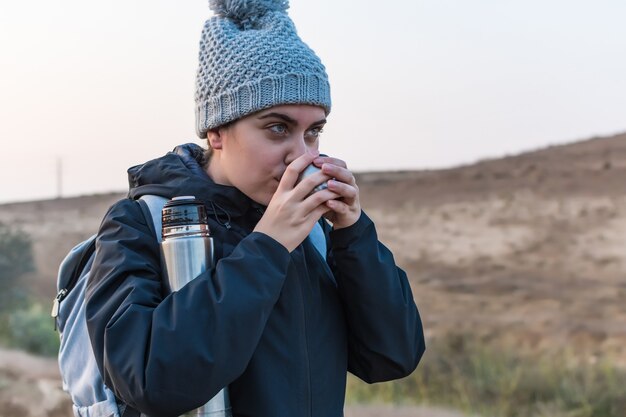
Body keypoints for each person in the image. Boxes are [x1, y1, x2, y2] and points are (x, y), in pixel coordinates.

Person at [85, 1, 425, 416]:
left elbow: (392, 357)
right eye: (277, 127)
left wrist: (353, 233)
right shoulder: (139, 223)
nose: (301, 155)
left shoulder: (314, 232)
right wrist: (268, 244)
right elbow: (152, 383)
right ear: (216, 132)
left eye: (313, 132)